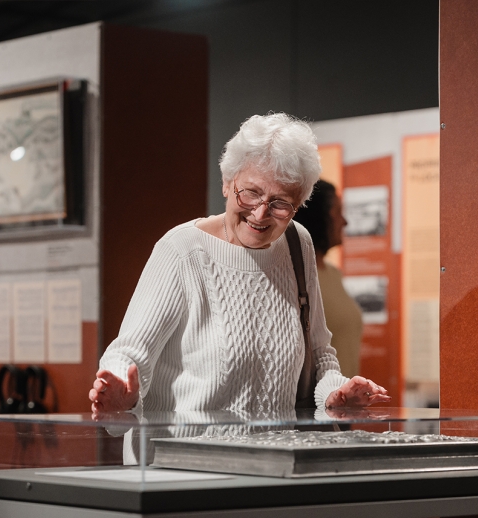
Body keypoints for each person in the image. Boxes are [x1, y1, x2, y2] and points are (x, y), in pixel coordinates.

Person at [89, 113, 389, 416]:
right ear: (226, 183)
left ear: (298, 206)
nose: (260, 214)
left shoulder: (299, 245)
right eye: (251, 194)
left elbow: (320, 354)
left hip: (275, 459)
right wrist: (120, 390)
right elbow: (129, 352)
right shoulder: (183, 250)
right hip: (186, 460)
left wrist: (335, 393)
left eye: (280, 203)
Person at [293, 179, 363, 377]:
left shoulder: (333, 274)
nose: (344, 221)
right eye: (337, 212)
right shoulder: (296, 277)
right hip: (316, 404)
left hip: (345, 402)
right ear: (319, 217)